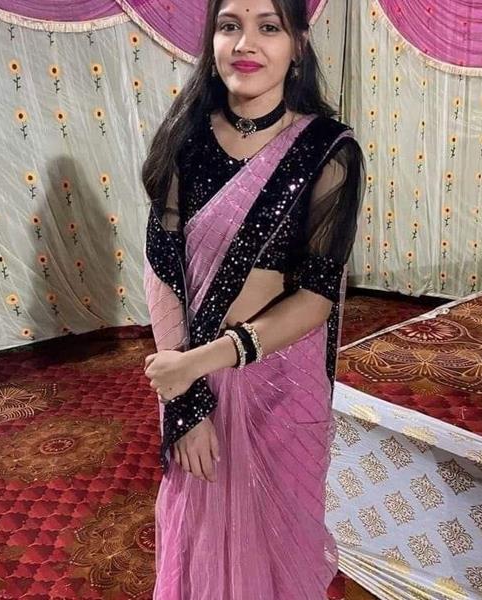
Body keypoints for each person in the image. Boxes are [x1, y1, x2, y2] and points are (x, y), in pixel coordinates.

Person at [141, 0, 364, 597]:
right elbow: (162, 271)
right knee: (199, 530)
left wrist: (198, 362)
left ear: (298, 45)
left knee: (278, 535)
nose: (246, 43)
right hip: (195, 380)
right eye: (229, 26)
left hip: (284, 384)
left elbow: (316, 298)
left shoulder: (328, 150)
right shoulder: (185, 140)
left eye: (269, 27)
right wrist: (187, 399)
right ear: (211, 41)